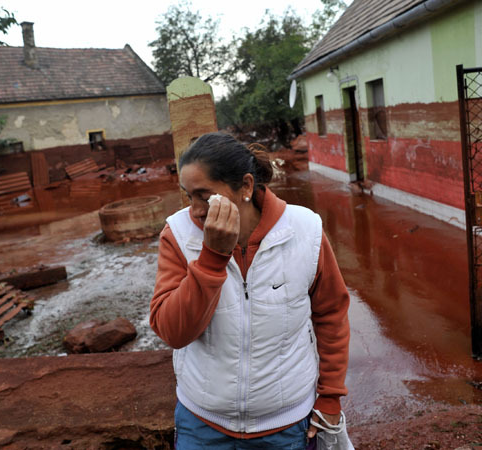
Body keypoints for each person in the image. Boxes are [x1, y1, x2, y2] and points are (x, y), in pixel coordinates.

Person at [150, 132, 350, 449]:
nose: (196, 210)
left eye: (204, 195)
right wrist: (212, 258)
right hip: (203, 424)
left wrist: (330, 397)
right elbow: (174, 332)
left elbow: (331, 316)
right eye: (189, 196)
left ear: (245, 186)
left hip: (287, 425)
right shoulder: (178, 234)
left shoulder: (304, 230)